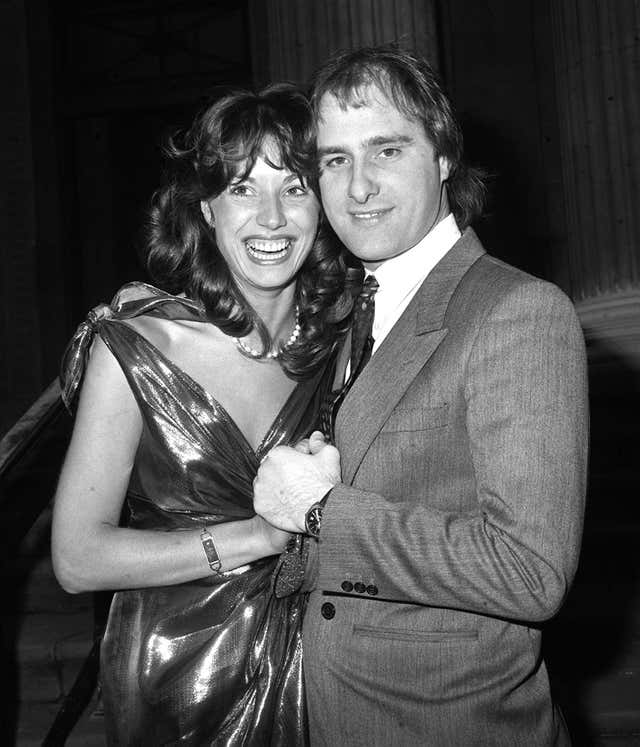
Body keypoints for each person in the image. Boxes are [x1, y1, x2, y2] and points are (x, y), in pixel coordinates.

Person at [253, 46, 589, 745]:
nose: (360, 185)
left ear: (442, 159)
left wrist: (320, 512)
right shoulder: (351, 307)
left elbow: (530, 572)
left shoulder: (517, 309)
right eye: (335, 160)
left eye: (388, 149)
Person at [51, 84, 352, 745]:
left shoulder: (348, 342)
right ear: (208, 209)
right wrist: (258, 537)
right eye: (243, 188)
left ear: (323, 207)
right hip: (181, 678)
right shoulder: (136, 348)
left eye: (295, 187)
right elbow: (76, 558)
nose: (271, 217)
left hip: (330, 667)